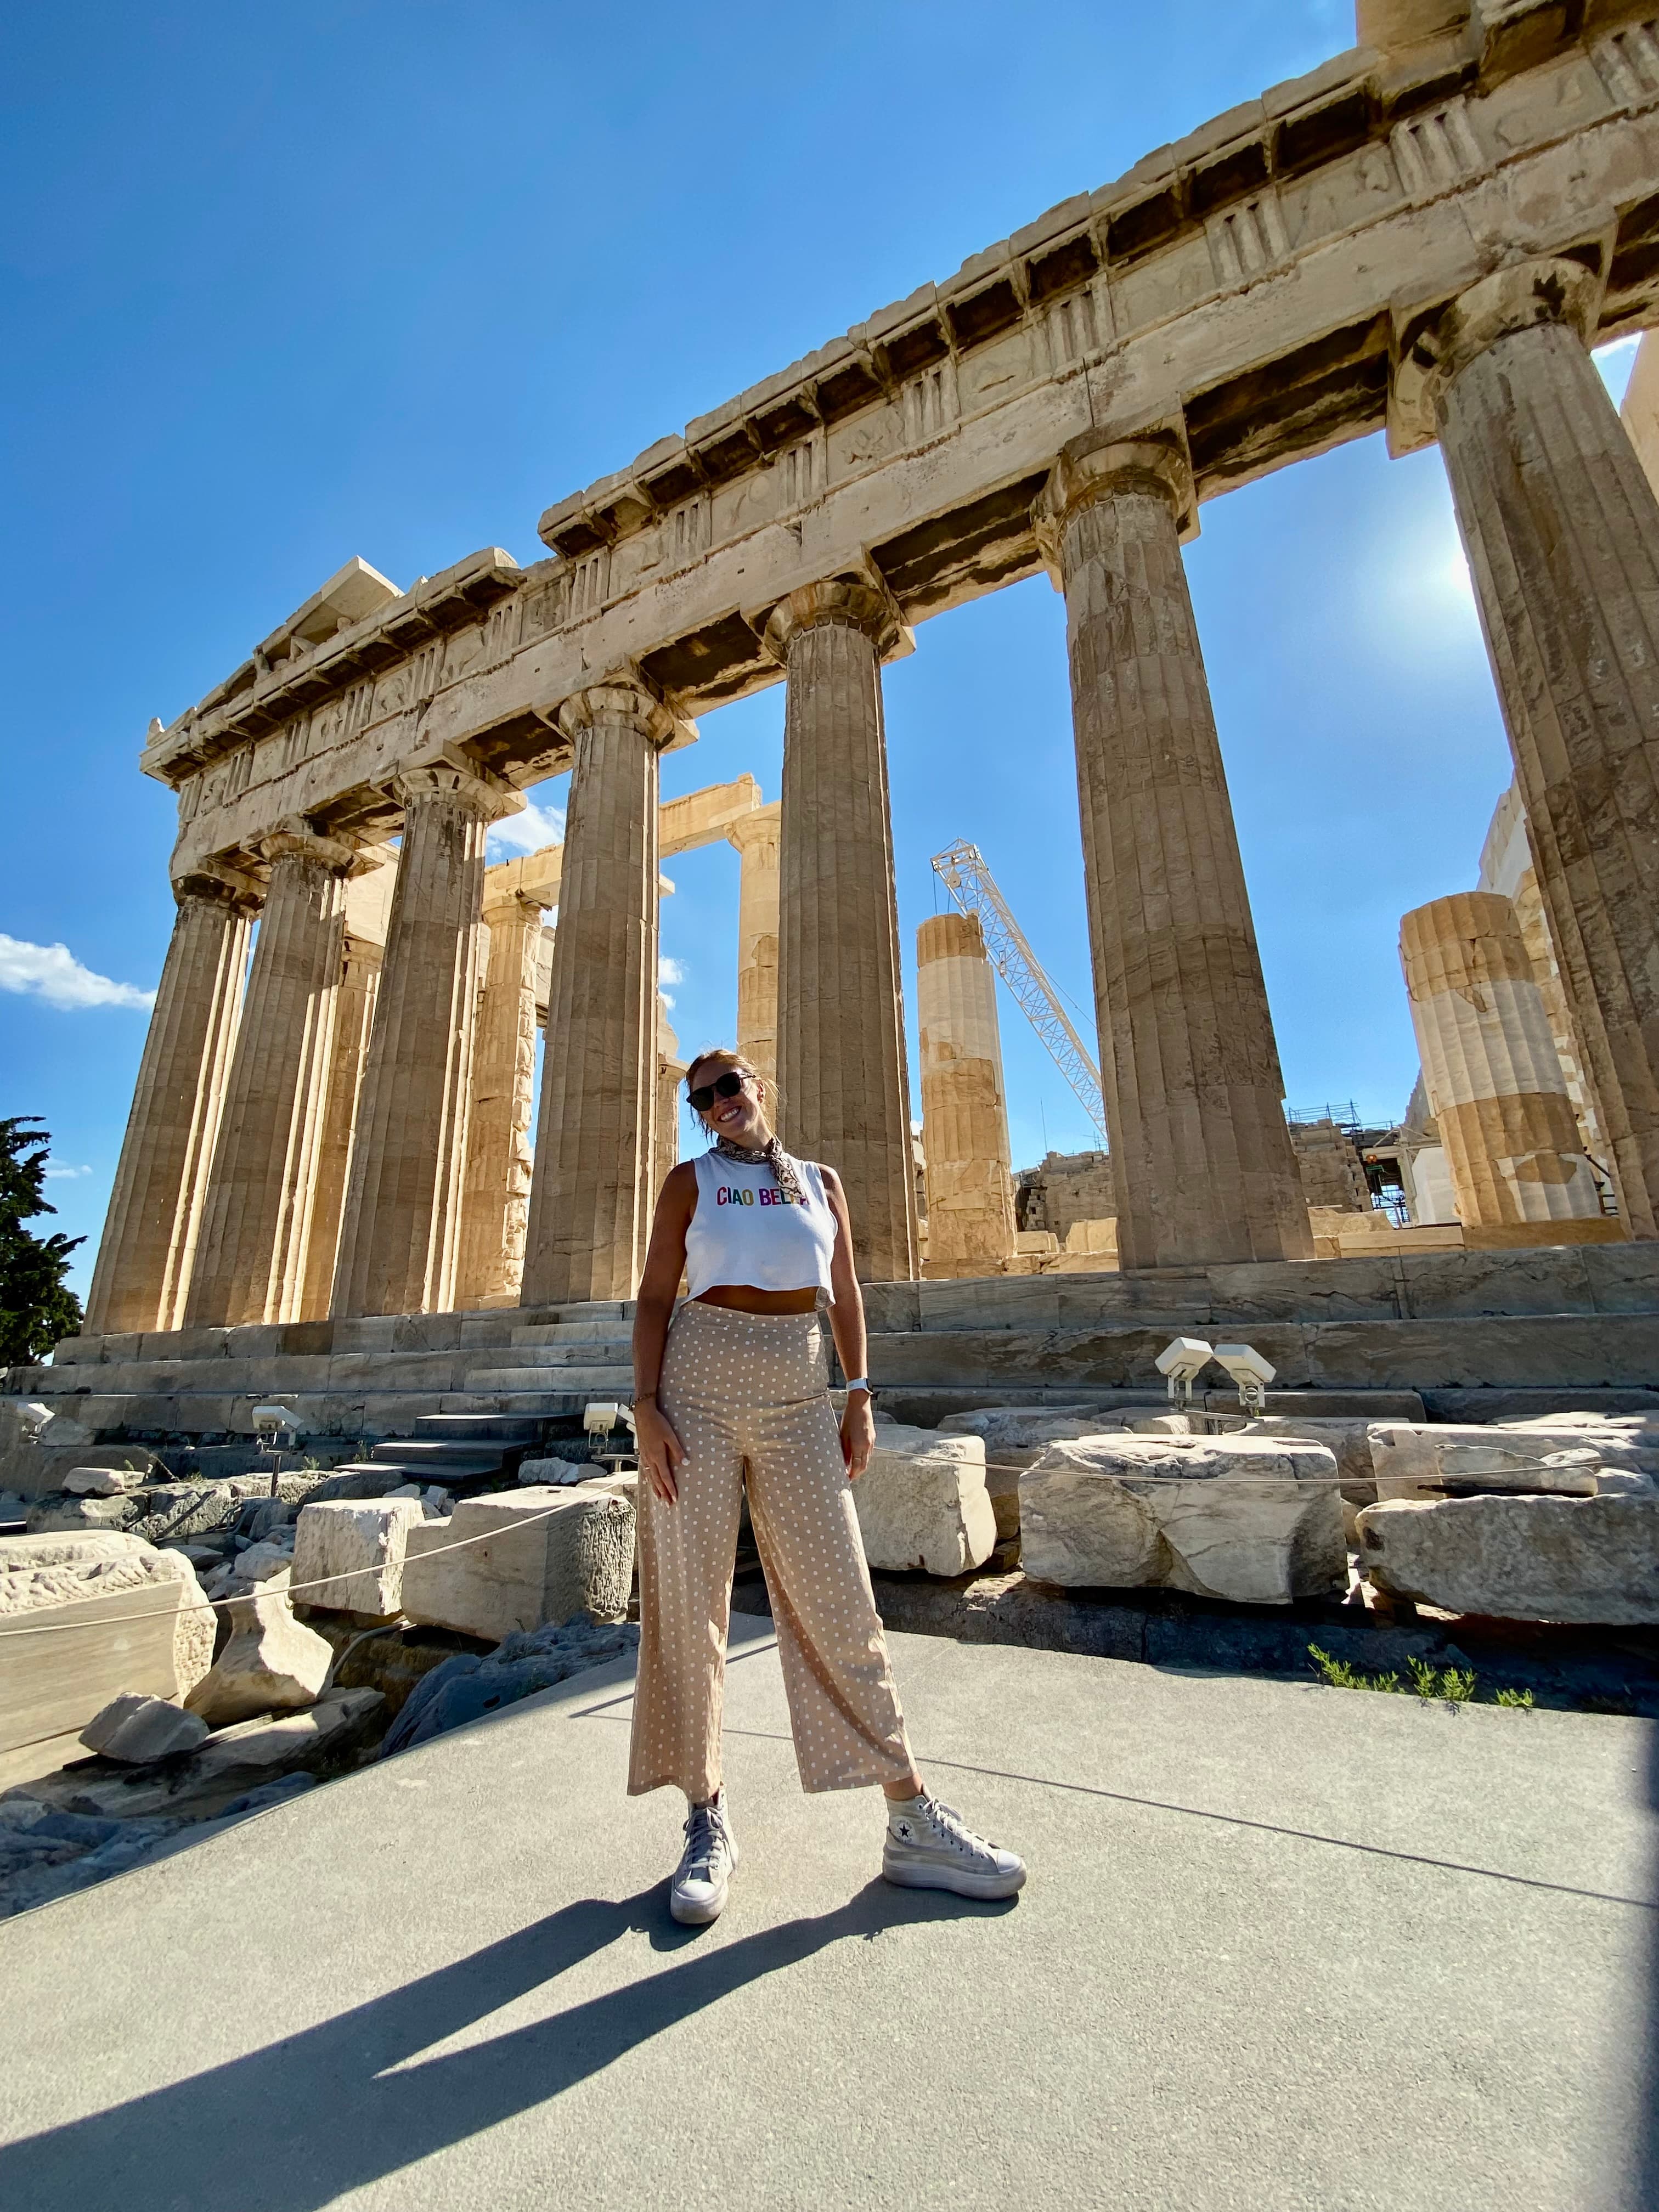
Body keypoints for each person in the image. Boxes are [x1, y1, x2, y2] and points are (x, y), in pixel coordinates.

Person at [629, 1045, 1027, 1925]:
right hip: (697, 1381)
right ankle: (705, 1817)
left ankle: (910, 1814)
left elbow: (843, 1288)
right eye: (703, 1098)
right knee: (692, 1602)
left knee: (843, 1597)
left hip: (802, 1386)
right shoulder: (687, 1182)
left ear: (760, 1087)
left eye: (730, 1086)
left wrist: (859, 1395)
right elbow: (656, 1296)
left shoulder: (820, 1180)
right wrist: (645, 1407)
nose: (719, 1103)